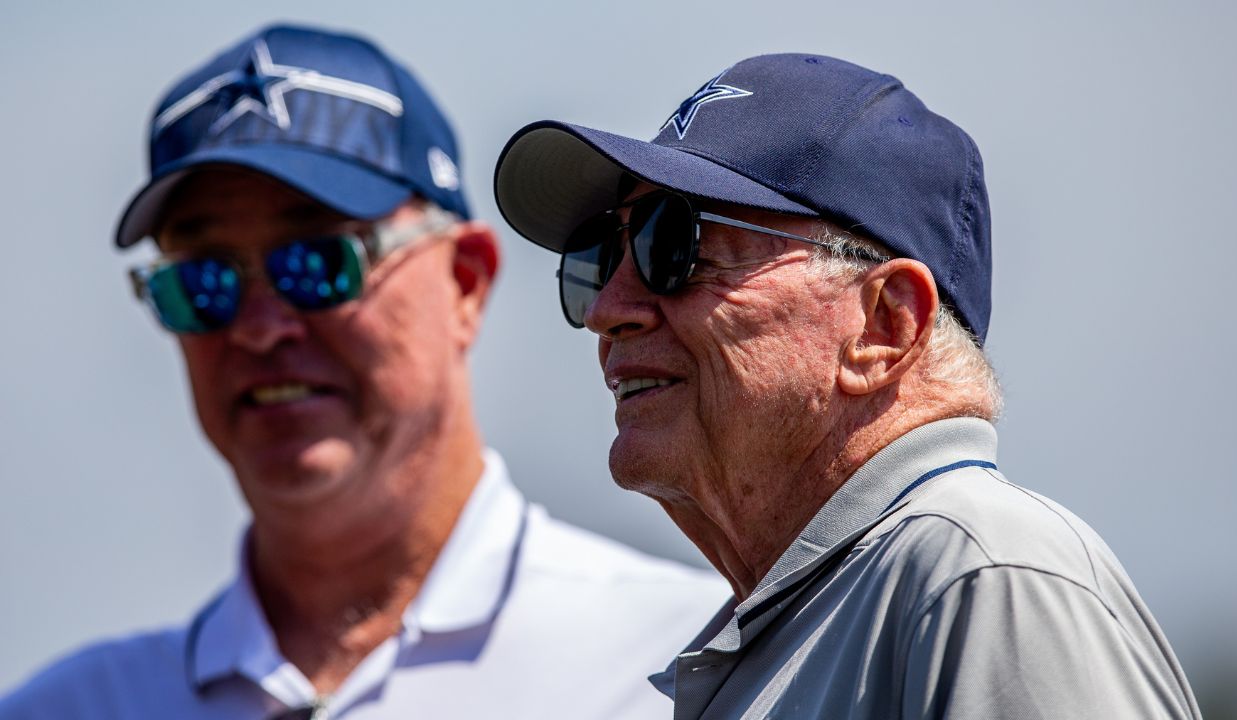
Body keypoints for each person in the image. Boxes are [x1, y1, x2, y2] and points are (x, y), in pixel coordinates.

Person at [0, 23, 727, 720]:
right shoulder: (70, 708)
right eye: (204, 282)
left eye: (317, 263)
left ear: (464, 283)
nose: (259, 329)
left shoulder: (686, 670)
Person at [493, 53, 1203, 719]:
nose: (607, 310)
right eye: (600, 255)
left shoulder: (987, 575)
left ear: (885, 327)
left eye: (673, 245)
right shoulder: (819, 614)